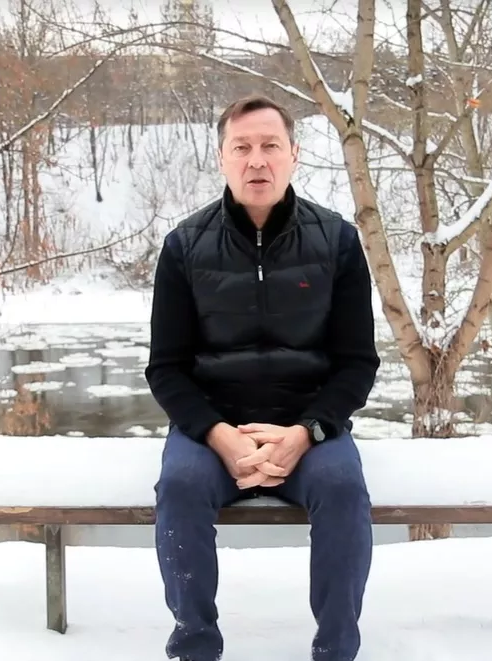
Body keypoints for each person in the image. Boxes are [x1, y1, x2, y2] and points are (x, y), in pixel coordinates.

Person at [144, 93, 381, 661]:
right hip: (212, 428)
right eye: (242, 147)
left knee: (343, 488)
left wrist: (306, 432)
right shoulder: (184, 246)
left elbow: (357, 364)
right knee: (180, 487)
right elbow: (166, 369)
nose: (257, 160)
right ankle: (195, 647)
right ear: (222, 158)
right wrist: (219, 435)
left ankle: (336, 651)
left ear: (293, 154)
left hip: (309, 426)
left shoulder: (337, 241)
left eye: (270, 146)